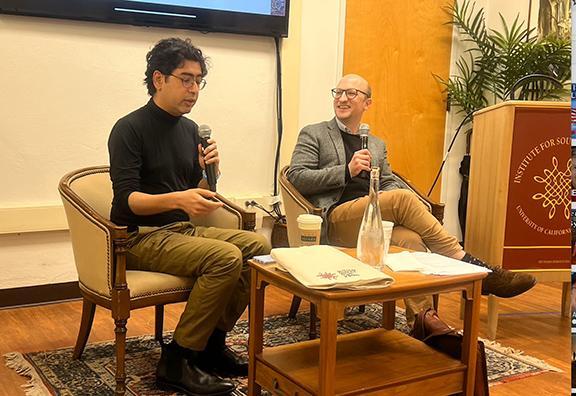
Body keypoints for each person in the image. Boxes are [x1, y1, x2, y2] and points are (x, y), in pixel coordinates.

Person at [287, 74, 536, 321]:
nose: (342, 98)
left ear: (367, 103)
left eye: (351, 93)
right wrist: (346, 170)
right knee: (403, 199)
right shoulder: (315, 133)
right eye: (338, 92)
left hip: (375, 220)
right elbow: (297, 177)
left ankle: (425, 323)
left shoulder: (375, 143)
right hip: (338, 218)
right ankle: (471, 264)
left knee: (411, 240)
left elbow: (388, 180)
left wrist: (387, 191)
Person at [108, 37, 270, 395]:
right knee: (225, 257)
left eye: (199, 80)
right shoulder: (129, 128)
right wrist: (179, 198)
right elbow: (127, 200)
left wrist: (208, 171)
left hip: (179, 230)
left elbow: (194, 189)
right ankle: (177, 360)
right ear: (158, 79)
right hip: (138, 235)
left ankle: (211, 343)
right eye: (185, 78)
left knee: (258, 247)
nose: (194, 89)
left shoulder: (190, 130)